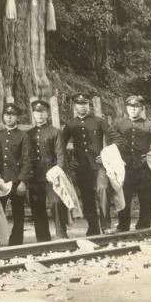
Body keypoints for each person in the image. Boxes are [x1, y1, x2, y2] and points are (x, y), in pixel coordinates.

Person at [109, 95, 151, 231]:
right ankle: (123, 226)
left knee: (145, 198)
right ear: (127, 108)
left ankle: (143, 227)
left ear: (142, 108)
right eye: (130, 107)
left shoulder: (150, 125)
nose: (133, 110)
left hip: (143, 168)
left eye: (136, 107)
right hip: (124, 167)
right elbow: (110, 136)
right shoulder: (119, 124)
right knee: (124, 197)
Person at [61, 92, 109, 236]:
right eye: (79, 104)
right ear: (75, 106)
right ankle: (93, 226)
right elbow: (61, 145)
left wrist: (106, 155)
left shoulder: (99, 121)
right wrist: (69, 161)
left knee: (103, 189)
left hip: (99, 165)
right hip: (81, 166)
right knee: (87, 196)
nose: (82, 107)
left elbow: (114, 139)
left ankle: (106, 225)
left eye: (85, 104)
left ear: (89, 105)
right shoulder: (71, 124)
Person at [27, 99, 68, 241]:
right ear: (33, 114)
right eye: (37, 112)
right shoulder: (28, 134)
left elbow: (61, 155)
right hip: (34, 176)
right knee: (37, 206)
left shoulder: (55, 132)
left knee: (56, 202)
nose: (39, 115)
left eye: (42, 112)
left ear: (47, 114)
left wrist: (58, 172)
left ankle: (61, 234)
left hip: (52, 175)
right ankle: (43, 239)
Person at [0, 102, 31, 245]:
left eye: (12, 115)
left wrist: (22, 181)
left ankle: (16, 242)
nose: (9, 118)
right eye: (6, 115)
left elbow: (27, 160)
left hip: (16, 181)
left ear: (18, 118)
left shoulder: (23, 136)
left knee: (18, 213)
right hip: (1, 181)